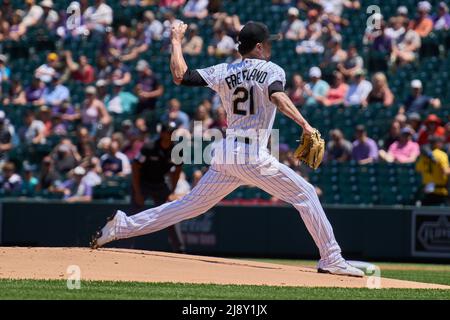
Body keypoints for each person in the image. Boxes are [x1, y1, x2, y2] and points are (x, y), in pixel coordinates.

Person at [91, 21, 364, 277]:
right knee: (305, 194)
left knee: (188, 206)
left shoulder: (224, 70)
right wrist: (305, 124)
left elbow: (180, 76)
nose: (270, 47)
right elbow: (278, 96)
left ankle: (122, 226)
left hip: (225, 152)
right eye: (267, 43)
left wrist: (175, 40)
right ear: (258, 47)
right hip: (251, 155)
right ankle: (330, 258)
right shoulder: (272, 70)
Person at [131, 122, 185, 253]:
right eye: (168, 131)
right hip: (143, 183)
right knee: (133, 215)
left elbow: (177, 171)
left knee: (171, 214)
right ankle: (125, 246)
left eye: (173, 131)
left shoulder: (177, 150)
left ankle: (180, 250)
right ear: (161, 133)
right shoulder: (149, 147)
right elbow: (135, 168)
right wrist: (138, 192)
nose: (171, 134)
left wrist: (172, 191)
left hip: (160, 183)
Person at [416, 136, 450, 206]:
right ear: (437, 144)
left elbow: (418, 169)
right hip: (440, 192)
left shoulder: (424, 156)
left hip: (427, 190)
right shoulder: (441, 155)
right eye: (441, 143)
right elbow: (446, 171)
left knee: (426, 215)